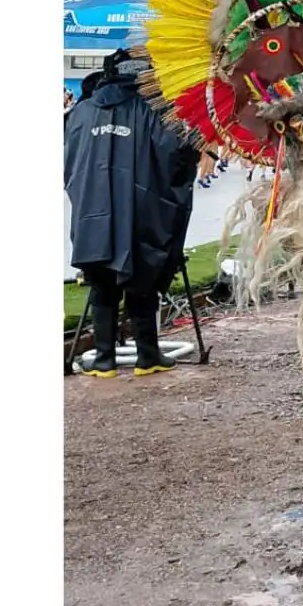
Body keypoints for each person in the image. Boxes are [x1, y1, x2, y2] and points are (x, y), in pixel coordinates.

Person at [64, 52, 197, 377]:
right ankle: (147, 355)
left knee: (101, 284)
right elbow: (176, 159)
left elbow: (70, 163)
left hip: (91, 215)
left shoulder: (82, 110)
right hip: (141, 214)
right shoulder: (156, 110)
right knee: (142, 282)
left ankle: (105, 359)